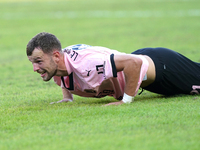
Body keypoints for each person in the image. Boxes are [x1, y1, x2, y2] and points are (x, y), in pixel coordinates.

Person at [26, 32, 200, 106]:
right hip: (146, 72)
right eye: (32, 62)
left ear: (56, 55)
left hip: (162, 67)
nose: (35, 68)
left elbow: (134, 63)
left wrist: (126, 101)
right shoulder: (58, 67)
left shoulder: (87, 63)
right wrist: (67, 98)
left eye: (39, 61)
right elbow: (66, 77)